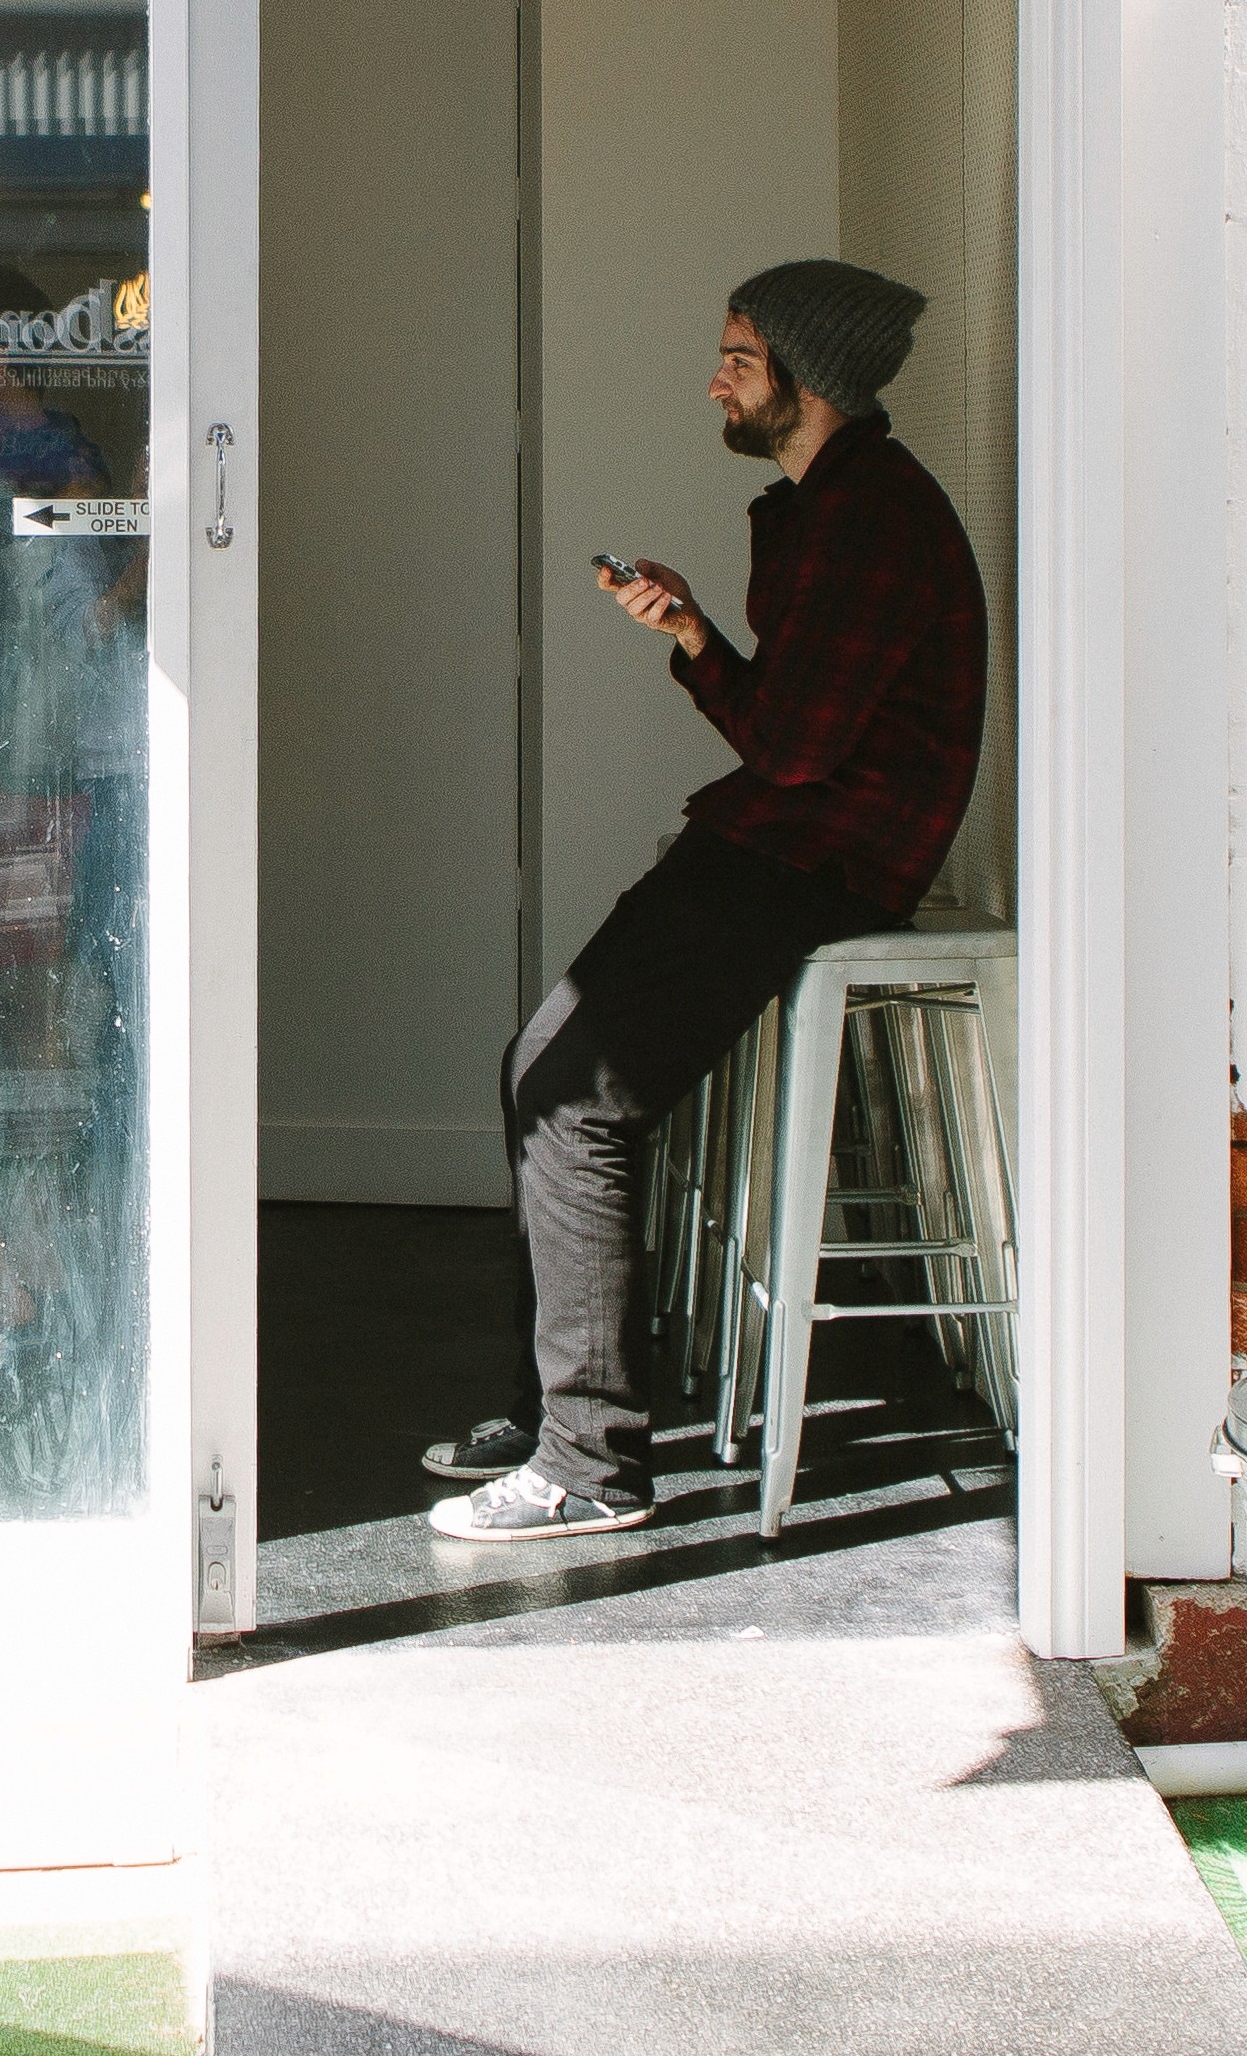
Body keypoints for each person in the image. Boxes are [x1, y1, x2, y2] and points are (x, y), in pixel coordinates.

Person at [421, 261, 988, 1544]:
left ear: (806, 375)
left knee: (566, 1097)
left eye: (739, 353)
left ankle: (591, 1461)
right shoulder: (831, 507)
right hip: (787, 848)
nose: (717, 375)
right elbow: (795, 732)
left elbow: (790, 752)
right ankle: (558, 1412)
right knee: (538, 1070)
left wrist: (703, 653)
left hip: (807, 865)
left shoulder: (867, 519)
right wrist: (691, 632)